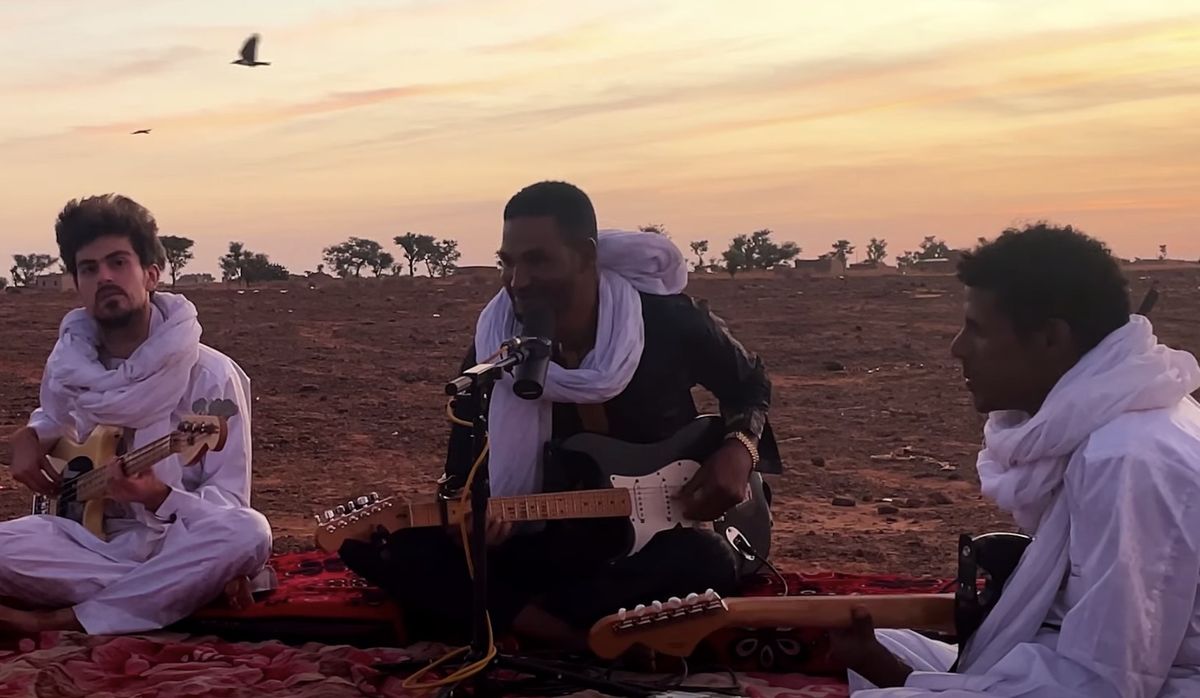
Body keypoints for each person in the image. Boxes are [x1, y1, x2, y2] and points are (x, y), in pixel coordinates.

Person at [340, 180, 780, 650]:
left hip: (667, 536)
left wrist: (740, 449)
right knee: (384, 549)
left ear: (586, 256)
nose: (517, 281)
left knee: (706, 559)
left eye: (537, 260)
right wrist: (470, 524)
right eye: (507, 262)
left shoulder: (668, 321)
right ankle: (573, 633)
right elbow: (460, 476)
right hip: (557, 537)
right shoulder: (493, 350)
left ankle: (515, 617)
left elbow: (750, 385)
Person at [833, 223, 1200, 697]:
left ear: (1050, 338)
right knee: (894, 645)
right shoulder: (1121, 423)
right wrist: (883, 664)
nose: (957, 348)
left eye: (978, 329)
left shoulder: (1127, 459)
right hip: (1108, 668)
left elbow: (1105, 683)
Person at [0, 194, 273, 636]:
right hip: (86, 544)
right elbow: (52, 425)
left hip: (175, 541)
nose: (104, 277)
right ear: (76, 282)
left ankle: (61, 618)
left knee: (248, 533)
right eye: (89, 268)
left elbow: (228, 502)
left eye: (118, 263)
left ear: (151, 274)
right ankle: (181, 594)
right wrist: (28, 438)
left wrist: (158, 497)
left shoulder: (209, 374)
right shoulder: (69, 366)